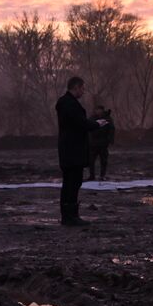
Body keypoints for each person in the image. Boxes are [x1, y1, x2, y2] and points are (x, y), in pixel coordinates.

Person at [56, 76, 107, 225]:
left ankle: (68, 216)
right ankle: (71, 217)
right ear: (76, 87)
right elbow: (80, 123)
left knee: (69, 182)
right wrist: (96, 124)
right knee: (73, 182)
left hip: (68, 149)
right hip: (73, 150)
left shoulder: (65, 102)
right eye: (82, 88)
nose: (83, 91)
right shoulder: (69, 104)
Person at [87, 101, 115, 182]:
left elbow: (111, 129)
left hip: (103, 143)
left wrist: (110, 140)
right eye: (96, 110)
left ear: (102, 110)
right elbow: (87, 128)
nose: (98, 111)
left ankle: (102, 175)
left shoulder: (107, 118)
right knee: (91, 161)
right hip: (93, 143)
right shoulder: (92, 118)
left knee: (103, 160)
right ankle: (92, 176)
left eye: (99, 110)